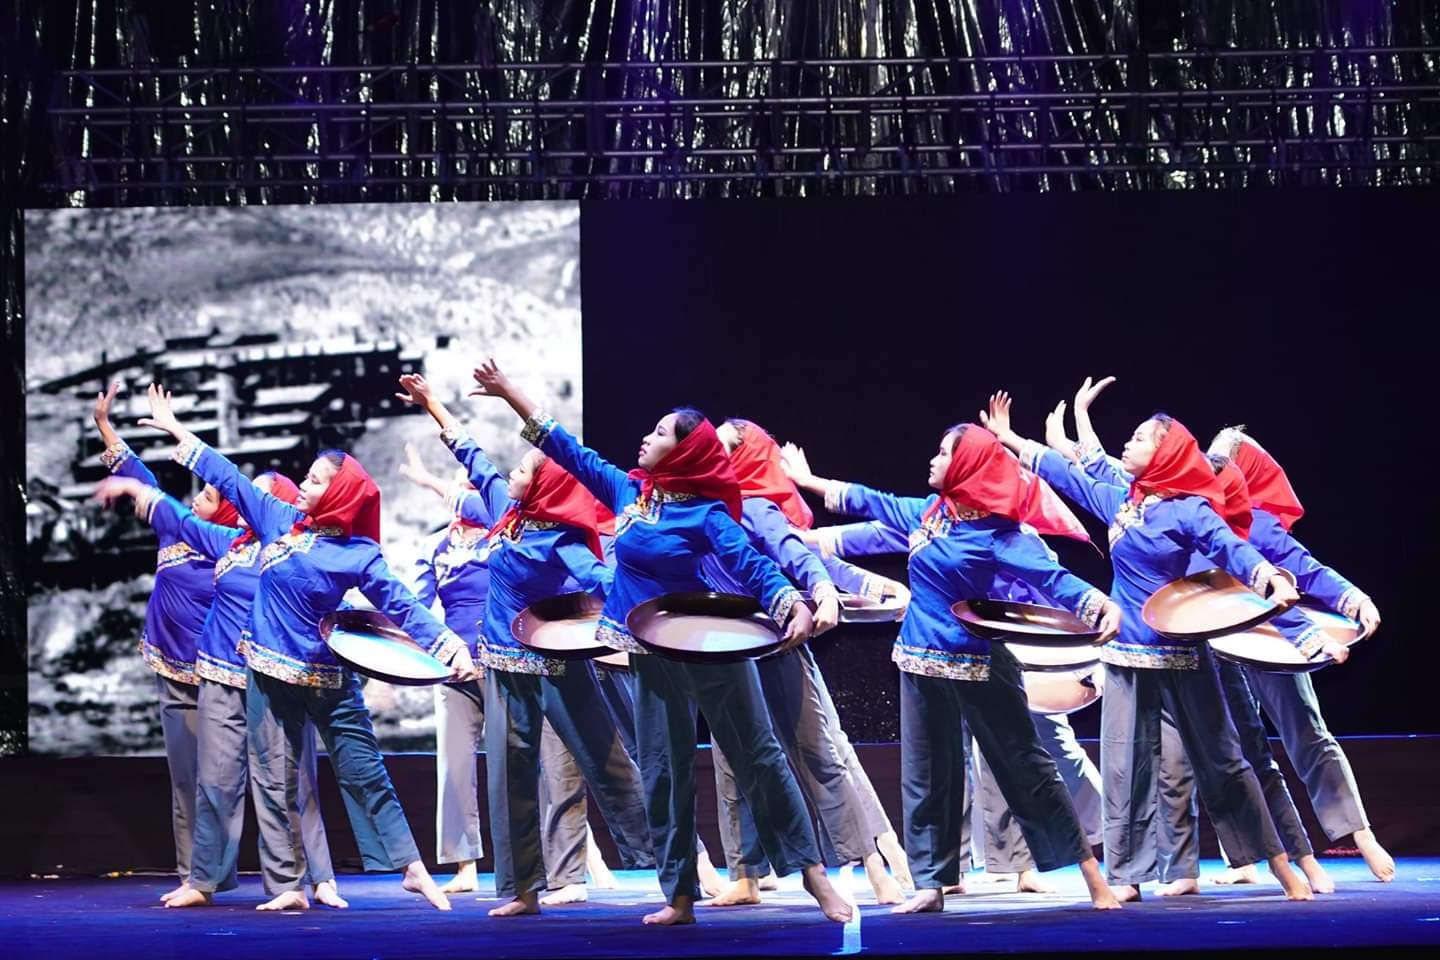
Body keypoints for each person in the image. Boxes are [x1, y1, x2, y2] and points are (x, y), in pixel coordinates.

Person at [469, 358, 850, 926]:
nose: (646, 438)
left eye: (661, 433)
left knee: (759, 757)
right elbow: (566, 447)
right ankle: (680, 896)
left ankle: (815, 877)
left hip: (707, 644)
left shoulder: (706, 515)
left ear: (684, 452)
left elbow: (750, 563)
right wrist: (507, 392)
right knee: (663, 770)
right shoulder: (628, 494)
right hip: (651, 652)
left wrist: (791, 602)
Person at [137, 383, 469, 911]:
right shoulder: (279, 522)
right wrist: (178, 430)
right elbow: (229, 477)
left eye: (316, 480)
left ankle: (411, 868)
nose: (305, 486)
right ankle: (288, 886)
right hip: (268, 674)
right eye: (308, 478)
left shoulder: (359, 553)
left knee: (364, 771)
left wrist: (448, 647)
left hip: (328, 677)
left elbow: (401, 604)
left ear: (341, 493)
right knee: (273, 778)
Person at [984, 389, 1312, 902]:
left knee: (1224, 762)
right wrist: (1009, 438)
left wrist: (1269, 577)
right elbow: (1067, 474)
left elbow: (1230, 547)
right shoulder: (1123, 504)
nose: (1128, 444)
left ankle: (1279, 865)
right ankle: (1126, 876)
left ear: (1164, 453)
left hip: (1182, 653)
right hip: (1125, 657)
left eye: (1139, 439)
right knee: (1123, 767)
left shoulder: (1188, 511)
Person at [783, 422, 1124, 913]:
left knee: (1026, 768)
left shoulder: (1000, 535)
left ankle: (1093, 877)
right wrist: (809, 481)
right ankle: (931, 885)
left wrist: (1099, 606)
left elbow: (1053, 579)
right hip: (919, 662)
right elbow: (872, 501)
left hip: (979, 663)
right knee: (926, 778)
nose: (934, 459)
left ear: (967, 466)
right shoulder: (931, 514)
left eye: (944, 453)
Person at [396, 373, 653, 918]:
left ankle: (675, 864)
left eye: (521, 469)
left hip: (556, 664)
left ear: (543, 484)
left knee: (607, 765)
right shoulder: (503, 513)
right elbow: (472, 456)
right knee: (510, 775)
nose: (509, 473)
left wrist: (642, 614)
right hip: (503, 666)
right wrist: (433, 404)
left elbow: (603, 582)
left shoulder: (562, 540)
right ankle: (522, 890)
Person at [95, 467, 343, 910]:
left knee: (292, 780)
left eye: (257, 495)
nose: (247, 500)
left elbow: (329, 601)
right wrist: (135, 486)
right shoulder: (229, 543)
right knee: (214, 780)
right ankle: (203, 880)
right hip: (219, 674)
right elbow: (180, 520)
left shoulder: (294, 552)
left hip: (274, 676)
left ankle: (318, 877)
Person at [703, 417, 907, 906]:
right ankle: (746, 877)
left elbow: (796, 553)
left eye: (723, 447)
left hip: (776, 643)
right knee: (731, 762)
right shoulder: (704, 511)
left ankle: (874, 863)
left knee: (821, 754)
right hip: (724, 648)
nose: (712, 453)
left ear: (744, 457)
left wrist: (833, 589)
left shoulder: (754, 506)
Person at [92, 382, 212, 904]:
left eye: (208, 496)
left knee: (249, 780)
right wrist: (105, 425)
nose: (198, 498)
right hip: (174, 675)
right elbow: (139, 479)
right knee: (185, 781)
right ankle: (194, 877)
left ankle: (300, 876)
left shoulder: (230, 546)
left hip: (223, 678)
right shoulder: (174, 530)